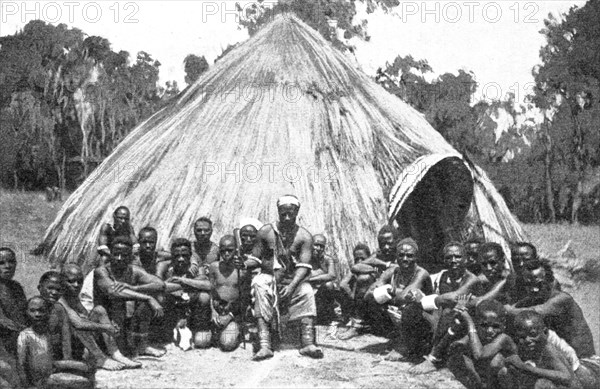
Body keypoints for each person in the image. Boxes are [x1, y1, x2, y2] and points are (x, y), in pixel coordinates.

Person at [250, 195, 323, 360]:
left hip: (293, 280)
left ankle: (307, 343)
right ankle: (265, 345)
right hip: (269, 277)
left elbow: (304, 267)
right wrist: (242, 263)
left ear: (297, 212)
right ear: (278, 212)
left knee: (307, 291)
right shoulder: (266, 232)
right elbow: (254, 259)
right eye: (283, 214)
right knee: (260, 284)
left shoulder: (304, 236)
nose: (287, 218)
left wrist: (291, 287)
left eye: (291, 214)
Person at [409, 241, 481, 374]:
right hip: (443, 320)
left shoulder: (471, 279)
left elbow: (454, 298)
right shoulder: (442, 276)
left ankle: (434, 358)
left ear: (465, 258)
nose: (453, 261)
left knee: (449, 310)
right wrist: (417, 296)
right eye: (449, 257)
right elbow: (420, 291)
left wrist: (426, 300)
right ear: (444, 260)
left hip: (465, 321)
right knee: (413, 308)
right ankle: (410, 347)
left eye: (458, 257)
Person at [506, 259, 595, 359]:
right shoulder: (533, 299)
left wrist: (507, 310)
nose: (533, 289)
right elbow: (514, 308)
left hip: (583, 359)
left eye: (538, 284)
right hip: (561, 356)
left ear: (550, 281)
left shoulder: (562, 299)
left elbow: (537, 312)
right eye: (528, 285)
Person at [93, 237, 166, 358]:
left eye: (124, 255)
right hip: (106, 321)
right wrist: (147, 298)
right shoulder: (101, 271)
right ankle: (117, 348)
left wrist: (135, 288)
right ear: (111, 254)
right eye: (116, 254)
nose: (119, 259)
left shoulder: (133, 270)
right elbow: (113, 292)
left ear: (130, 256)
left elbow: (160, 284)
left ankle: (142, 345)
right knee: (124, 302)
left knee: (149, 300)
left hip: (127, 319)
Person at [59, 264, 140, 370]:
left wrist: (109, 325)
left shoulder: (73, 296)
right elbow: (78, 323)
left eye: (79, 281)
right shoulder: (60, 299)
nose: (76, 285)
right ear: (61, 282)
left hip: (79, 342)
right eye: (71, 281)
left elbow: (85, 316)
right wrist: (105, 327)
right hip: (65, 345)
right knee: (80, 326)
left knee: (99, 310)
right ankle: (100, 358)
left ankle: (115, 353)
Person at [366, 238, 433, 361]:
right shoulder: (393, 271)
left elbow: (404, 297)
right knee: (373, 301)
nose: (405, 259)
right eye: (401, 255)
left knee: (411, 305)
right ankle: (396, 338)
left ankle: (407, 346)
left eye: (409, 256)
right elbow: (369, 293)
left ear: (416, 257)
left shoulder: (421, 273)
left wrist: (390, 291)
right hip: (400, 314)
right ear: (396, 257)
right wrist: (382, 292)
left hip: (424, 319)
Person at [17, 296, 93, 389]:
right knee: (84, 382)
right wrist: (27, 386)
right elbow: (21, 364)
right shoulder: (25, 335)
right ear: (27, 312)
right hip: (41, 381)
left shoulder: (46, 332)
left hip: (50, 370)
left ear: (48, 313)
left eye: (41, 311)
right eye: (33, 311)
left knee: (87, 367)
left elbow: (47, 358)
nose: (37, 314)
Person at [338, 225, 399, 340]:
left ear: (397, 241)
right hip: (375, 300)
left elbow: (396, 269)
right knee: (364, 278)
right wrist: (384, 265)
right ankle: (357, 325)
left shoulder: (403, 256)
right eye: (382, 244)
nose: (386, 247)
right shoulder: (379, 256)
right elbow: (356, 267)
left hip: (395, 301)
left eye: (389, 243)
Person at [448, 299, 518, 389]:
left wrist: (470, 322)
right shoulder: (479, 333)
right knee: (458, 359)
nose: (489, 331)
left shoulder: (504, 338)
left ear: (503, 325)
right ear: (478, 324)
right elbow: (460, 343)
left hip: (509, 380)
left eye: (495, 326)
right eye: (484, 325)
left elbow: (480, 355)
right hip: (489, 379)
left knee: (496, 361)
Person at [201, 235, 254, 352]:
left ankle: (236, 330)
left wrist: (230, 316)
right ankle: (217, 333)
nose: (226, 254)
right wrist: (213, 312)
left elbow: (245, 298)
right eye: (223, 250)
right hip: (217, 312)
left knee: (226, 344)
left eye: (229, 250)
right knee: (200, 341)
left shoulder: (243, 270)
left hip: (233, 314)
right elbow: (210, 290)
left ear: (236, 250)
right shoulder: (214, 267)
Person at [158, 238, 213, 349]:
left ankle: (199, 327)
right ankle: (170, 328)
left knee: (204, 297)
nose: (181, 259)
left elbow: (208, 285)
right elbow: (158, 286)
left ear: (190, 255)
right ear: (171, 256)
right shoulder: (164, 266)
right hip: (173, 310)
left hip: (192, 310)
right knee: (160, 298)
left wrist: (183, 280)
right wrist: (191, 284)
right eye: (177, 256)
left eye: (184, 255)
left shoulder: (196, 267)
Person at [498, 310, 574, 389]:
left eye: (533, 334)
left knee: (541, 384)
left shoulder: (547, 349)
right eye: (522, 337)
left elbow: (567, 377)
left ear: (544, 332)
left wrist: (525, 368)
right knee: (505, 372)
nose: (527, 340)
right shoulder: (526, 347)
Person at [0, 248, 28, 356]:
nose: (7, 266)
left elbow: (25, 314)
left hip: (19, 336)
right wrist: (26, 332)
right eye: (1, 263)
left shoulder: (17, 287)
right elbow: (3, 321)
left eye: (11, 261)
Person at [307, 234, 339, 325]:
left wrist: (312, 279)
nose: (318, 248)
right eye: (316, 245)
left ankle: (328, 316)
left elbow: (332, 275)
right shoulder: (306, 258)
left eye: (321, 246)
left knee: (329, 285)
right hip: (309, 292)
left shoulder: (328, 259)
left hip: (321, 292)